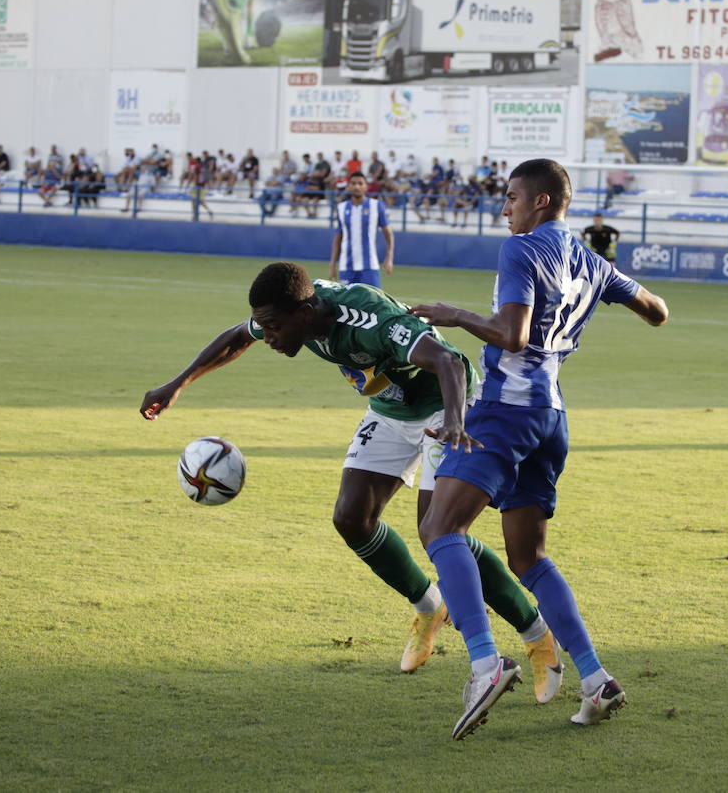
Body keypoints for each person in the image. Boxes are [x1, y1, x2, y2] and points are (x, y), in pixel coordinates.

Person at [139, 262, 561, 687]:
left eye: (273, 328)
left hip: (445, 407)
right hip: (390, 411)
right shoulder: (292, 308)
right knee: (351, 518)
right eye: (264, 327)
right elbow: (236, 336)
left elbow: (449, 361)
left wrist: (454, 420)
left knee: (439, 532)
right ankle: (429, 606)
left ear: (305, 314)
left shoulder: (369, 319)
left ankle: (536, 634)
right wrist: (176, 384)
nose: (267, 337)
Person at [409, 158, 669, 740]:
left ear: (541, 202)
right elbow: (658, 312)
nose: (505, 207)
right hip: (551, 418)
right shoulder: (591, 260)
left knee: (439, 529)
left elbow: (512, 335)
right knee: (527, 559)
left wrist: (452, 314)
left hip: (506, 411)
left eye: (511, 198)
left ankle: (483, 664)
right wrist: (601, 287)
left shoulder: (522, 249)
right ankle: (597, 679)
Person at [330, 171, 394, 287]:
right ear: (349, 186)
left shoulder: (376, 206)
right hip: (347, 267)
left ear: (366, 186)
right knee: (346, 304)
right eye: (353, 183)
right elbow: (338, 238)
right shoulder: (341, 208)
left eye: (360, 183)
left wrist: (389, 257)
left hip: (369, 267)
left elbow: (388, 234)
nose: (357, 186)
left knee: (373, 303)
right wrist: (332, 264)